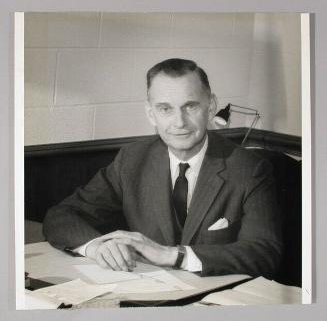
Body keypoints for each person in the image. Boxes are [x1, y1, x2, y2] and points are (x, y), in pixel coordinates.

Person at [43, 58, 282, 278]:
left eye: (190, 106)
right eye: (165, 109)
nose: (179, 122)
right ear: (151, 114)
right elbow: (61, 217)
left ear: (211, 107)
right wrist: (97, 248)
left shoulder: (249, 169)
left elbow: (264, 252)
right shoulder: (133, 159)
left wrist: (173, 255)